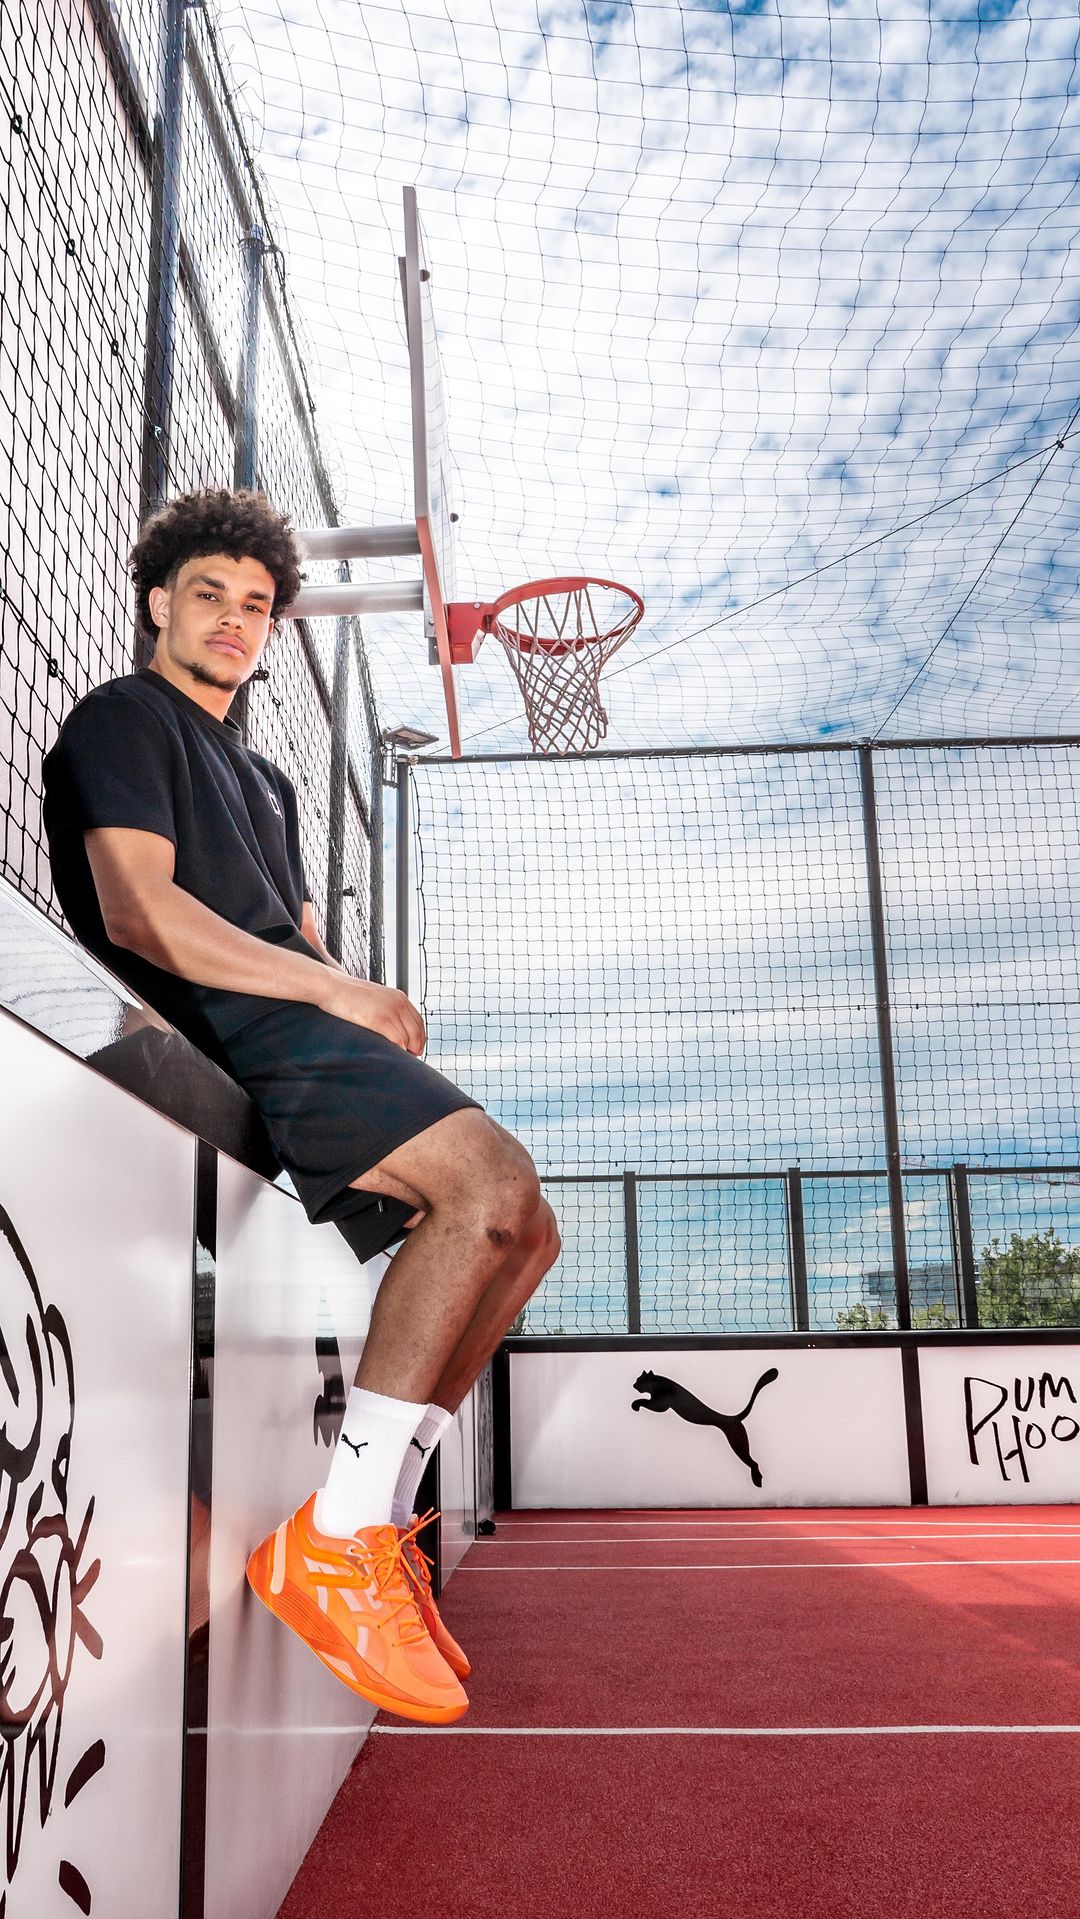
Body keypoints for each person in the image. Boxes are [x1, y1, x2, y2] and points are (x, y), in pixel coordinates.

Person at [41, 486, 560, 1726]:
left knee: (526, 1230)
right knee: (487, 1186)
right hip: (234, 1033)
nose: (234, 618)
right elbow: (139, 911)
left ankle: (374, 1517)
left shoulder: (268, 779)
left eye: (257, 603)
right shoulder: (124, 717)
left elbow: (298, 934)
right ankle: (335, 1535)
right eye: (209, 594)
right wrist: (334, 989)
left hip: (300, 1024)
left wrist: (347, 988)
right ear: (159, 602)